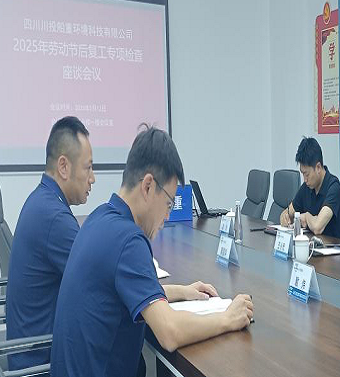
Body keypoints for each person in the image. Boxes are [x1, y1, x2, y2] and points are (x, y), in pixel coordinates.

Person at [51, 126, 253, 377]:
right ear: (148, 186)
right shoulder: (129, 240)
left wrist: (183, 291)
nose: (167, 216)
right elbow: (169, 332)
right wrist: (228, 318)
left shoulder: (99, 218)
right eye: (168, 203)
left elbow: (121, 292)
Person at [6, 116, 95, 370]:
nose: (93, 178)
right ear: (64, 167)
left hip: (29, 352)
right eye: (88, 168)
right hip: (42, 362)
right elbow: (102, 283)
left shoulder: (42, 200)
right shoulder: (54, 218)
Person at [280, 136, 340, 239]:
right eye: (302, 174)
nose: (305, 179)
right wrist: (285, 217)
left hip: (332, 246)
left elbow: (317, 227)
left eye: (307, 174)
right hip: (311, 245)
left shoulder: (333, 186)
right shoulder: (307, 187)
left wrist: (306, 216)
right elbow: (287, 212)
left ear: (318, 167)